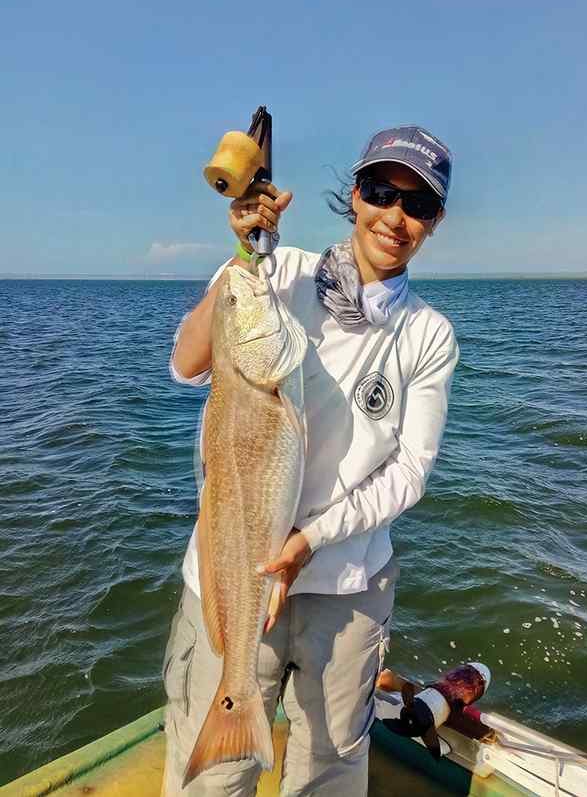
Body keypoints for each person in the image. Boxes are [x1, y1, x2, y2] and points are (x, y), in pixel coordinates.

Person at [161, 125, 460, 797]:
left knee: (328, 767)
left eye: (418, 205)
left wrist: (310, 540)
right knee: (212, 776)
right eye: (383, 192)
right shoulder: (270, 271)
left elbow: (409, 471)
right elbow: (186, 363)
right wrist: (244, 253)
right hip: (236, 577)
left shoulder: (429, 335)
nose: (396, 216)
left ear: (434, 223)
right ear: (355, 195)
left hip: (347, 588)